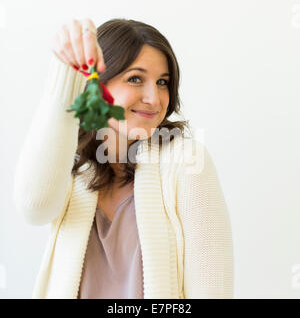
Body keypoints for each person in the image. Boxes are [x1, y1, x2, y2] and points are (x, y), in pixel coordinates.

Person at [13, 18, 234, 299]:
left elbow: (212, 291)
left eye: (163, 82)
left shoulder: (186, 161)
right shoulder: (69, 163)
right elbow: (35, 208)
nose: (154, 98)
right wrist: (67, 73)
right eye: (135, 79)